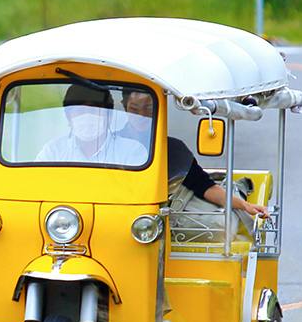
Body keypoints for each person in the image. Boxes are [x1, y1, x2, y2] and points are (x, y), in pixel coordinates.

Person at [118, 89, 267, 223]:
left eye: (148, 108)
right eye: (134, 109)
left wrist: (246, 205)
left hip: (149, 226)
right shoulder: (110, 145)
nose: (141, 116)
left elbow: (206, 187)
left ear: (158, 110)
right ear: (124, 107)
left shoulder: (172, 149)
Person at [35, 82, 149, 167]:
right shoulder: (53, 152)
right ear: (68, 117)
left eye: (94, 110)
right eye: (80, 110)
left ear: (109, 116)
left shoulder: (132, 151)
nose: (87, 116)